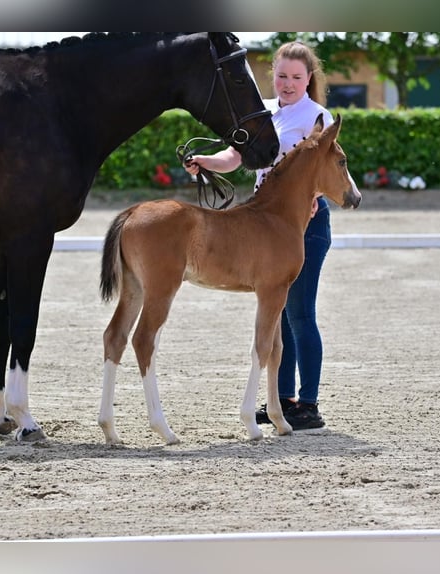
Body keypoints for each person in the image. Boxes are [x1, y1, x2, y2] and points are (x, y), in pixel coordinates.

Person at [184, 41, 334, 430]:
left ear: (308, 79)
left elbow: (324, 166)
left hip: (306, 224)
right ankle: (279, 400)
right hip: (264, 221)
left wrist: (314, 197)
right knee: (277, 315)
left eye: (296, 77)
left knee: (300, 313)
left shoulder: (316, 115)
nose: (287, 84)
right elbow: (235, 157)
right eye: (282, 76)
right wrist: (205, 162)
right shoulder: (263, 112)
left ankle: (309, 403)